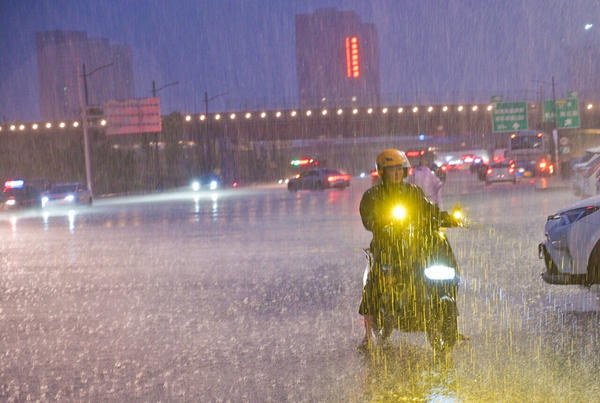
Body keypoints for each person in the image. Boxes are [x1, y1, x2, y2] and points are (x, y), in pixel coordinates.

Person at [358, 149, 458, 350]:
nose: (396, 174)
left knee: (439, 260)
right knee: (374, 283)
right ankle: (367, 336)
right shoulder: (372, 195)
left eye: (399, 170)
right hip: (386, 247)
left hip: (414, 246)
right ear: (382, 172)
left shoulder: (413, 192)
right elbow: (368, 220)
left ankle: (449, 323)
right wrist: (382, 222)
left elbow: (429, 210)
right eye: (391, 170)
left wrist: (449, 218)